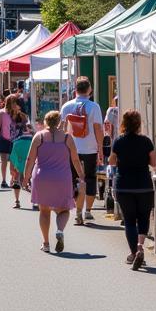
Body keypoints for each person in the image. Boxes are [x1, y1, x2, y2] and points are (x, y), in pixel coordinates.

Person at [22, 110, 83, 252]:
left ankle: (46, 243)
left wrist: (25, 178)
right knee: (64, 210)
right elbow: (75, 159)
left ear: (46, 121)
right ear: (59, 121)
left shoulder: (39, 137)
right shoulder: (68, 138)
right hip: (62, 178)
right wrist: (81, 175)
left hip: (42, 177)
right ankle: (60, 230)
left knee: (44, 211)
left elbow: (30, 159)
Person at [109, 109, 156, 270]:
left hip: (124, 186)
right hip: (144, 185)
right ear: (138, 123)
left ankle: (134, 252)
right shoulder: (146, 141)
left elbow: (112, 162)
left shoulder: (119, 141)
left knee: (129, 221)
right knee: (143, 218)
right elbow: (154, 163)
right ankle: (141, 247)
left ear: (123, 123)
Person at [59, 77, 105, 226]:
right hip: (90, 147)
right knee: (90, 178)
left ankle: (77, 210)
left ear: (75, 90)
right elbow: (98, 129)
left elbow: (61, 129)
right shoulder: (94, 107)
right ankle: (88, 211)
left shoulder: (67, 106)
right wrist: (101, 148)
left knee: (73, 178)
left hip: (70, 147)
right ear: (89, 89)